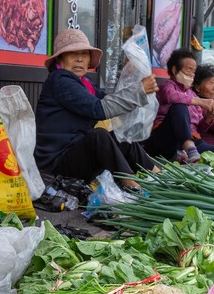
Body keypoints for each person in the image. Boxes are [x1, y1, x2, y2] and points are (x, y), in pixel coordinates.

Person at [34, 29, 158, 187]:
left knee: (121, 137)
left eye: (84, 54)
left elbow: (109, 98)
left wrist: (134, 79)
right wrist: (138, 91)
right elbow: (100, 109)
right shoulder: (60, 80)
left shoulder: (83, 83)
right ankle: (133, 187)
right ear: (60, 59)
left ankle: (158, 176)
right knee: (99, 136)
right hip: (56, 165)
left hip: (75, 155)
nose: (80, 59)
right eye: (73, 54)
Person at [144, 49, 214, 162]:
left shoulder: (191, 93)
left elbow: (199, 129)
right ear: (174, 69)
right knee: (179, 106)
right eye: (189, 69)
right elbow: (171, 96)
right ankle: (189, 150)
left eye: (194, 71)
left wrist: (209, 117)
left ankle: (188, 151)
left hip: (194, 142)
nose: (192, 74)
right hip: (165, 139)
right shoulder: (167, 86)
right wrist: (201, 101)